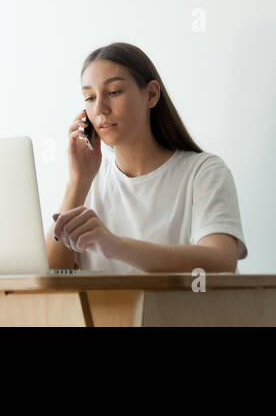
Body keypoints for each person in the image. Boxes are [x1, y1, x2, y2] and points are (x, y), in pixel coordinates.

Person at [46, 42, 248, 273]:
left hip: (174, 311)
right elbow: (50, 275)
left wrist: (114, 245)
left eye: (113, 92)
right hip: (107, 310)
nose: (100, 108)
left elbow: (221, 261)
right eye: (90, 97)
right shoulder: (89, 182)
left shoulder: (203, 172)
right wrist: (78, 181)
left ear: (151, 95)